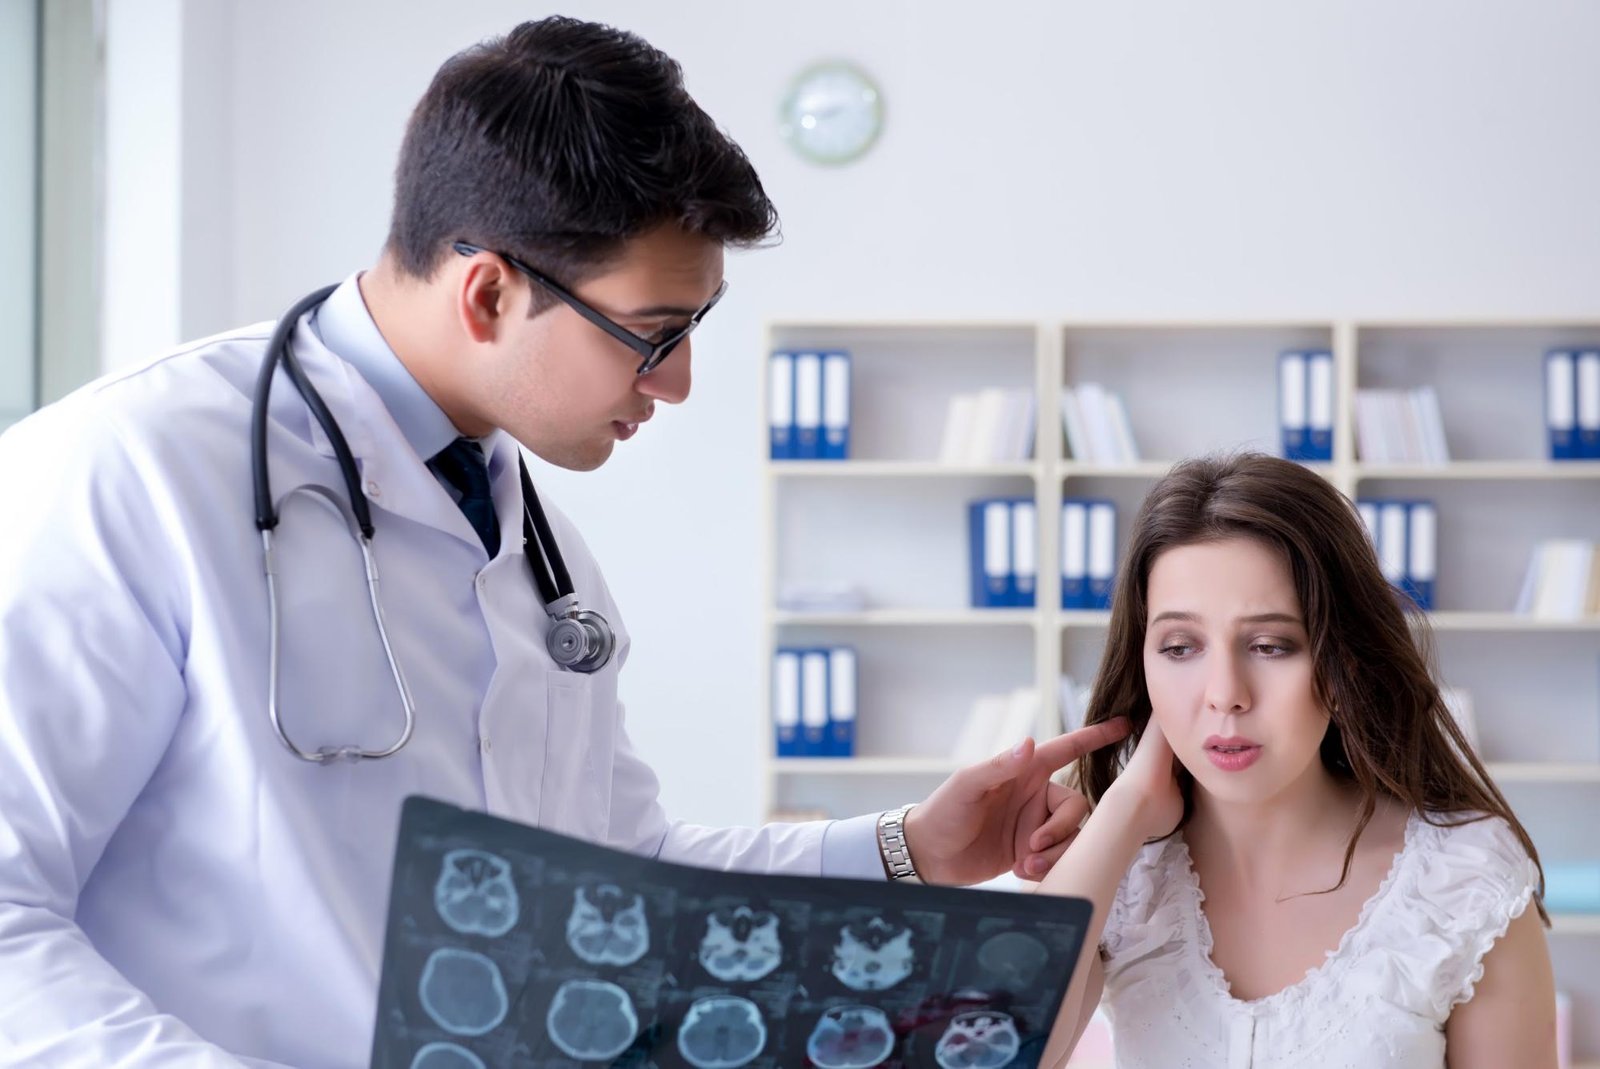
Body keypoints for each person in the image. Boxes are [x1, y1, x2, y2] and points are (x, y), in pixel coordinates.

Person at [0, 18, 1125, 1069]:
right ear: (487, 292)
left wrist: (907, 850)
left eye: (693, 330)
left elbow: (619, 883)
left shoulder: (543, 556)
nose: (678, 382)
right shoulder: (127, 473)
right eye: (651, 335)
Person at [1031, 453, 1557, 1069]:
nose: (1224, 691)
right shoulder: (1119, 871)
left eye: (1270, 645)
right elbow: (995, 1050)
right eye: (1180, 647)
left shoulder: (1465, 882)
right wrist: (1125, 809)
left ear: (1341, 663)